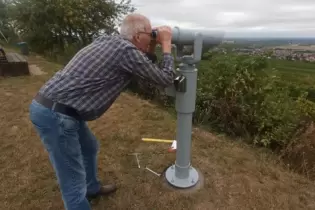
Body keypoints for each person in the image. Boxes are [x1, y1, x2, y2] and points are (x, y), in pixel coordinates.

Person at [29, 13, 175, 210]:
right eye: (150, 35)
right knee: (72, 181)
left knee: (89, 147)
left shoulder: (110, 40)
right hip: (57, 115)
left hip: (58, 107)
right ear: (138, 36)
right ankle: (82, 198)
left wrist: (152, 44)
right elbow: (165, 79)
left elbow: (143, 63)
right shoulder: (126, 52)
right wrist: (166, 44)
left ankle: (92, 188)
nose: (152, 38)